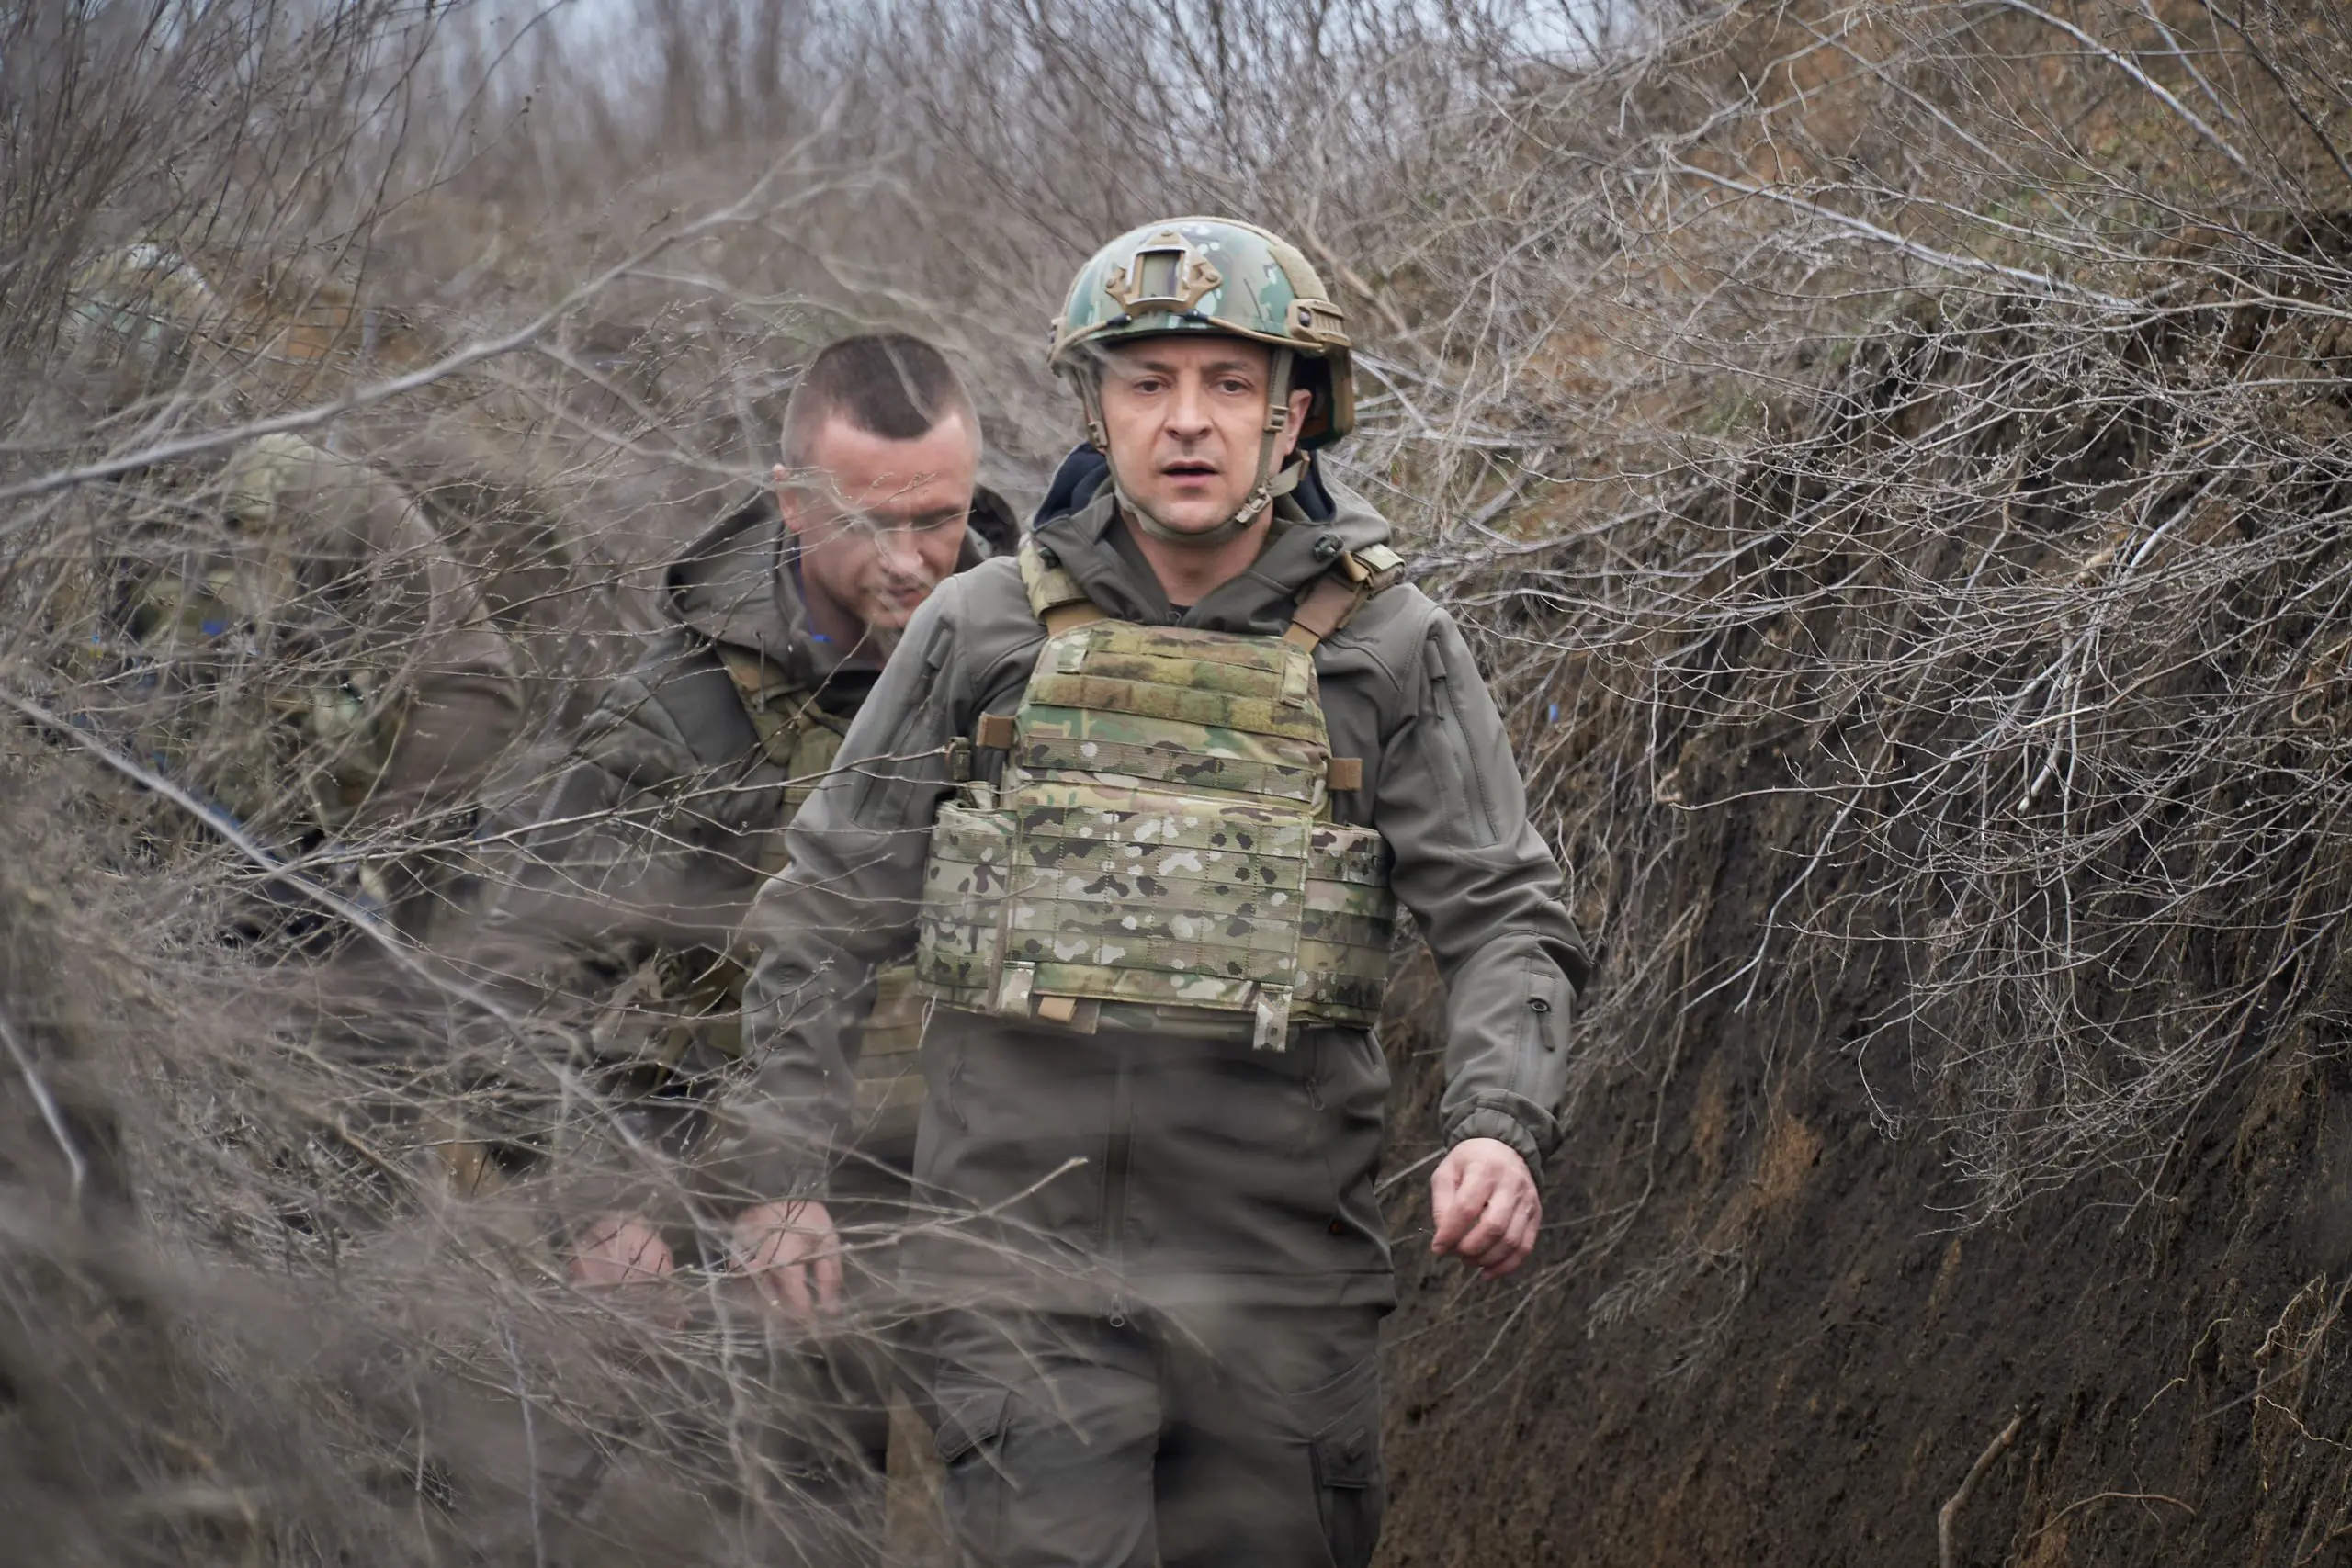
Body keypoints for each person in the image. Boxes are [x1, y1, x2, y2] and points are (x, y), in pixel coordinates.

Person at [725, 218, 1591, 1566]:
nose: (1187, 421)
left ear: (1290, 414)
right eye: (1148, 382)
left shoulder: (1389, 649)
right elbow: (828, 901)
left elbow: (1504, 914)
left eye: (1227, 384)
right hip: (1023, 1280)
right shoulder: (982, 631)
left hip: (1281, 1294)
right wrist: (782, 1171)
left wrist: (1497, 1122)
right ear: (1096, 406)